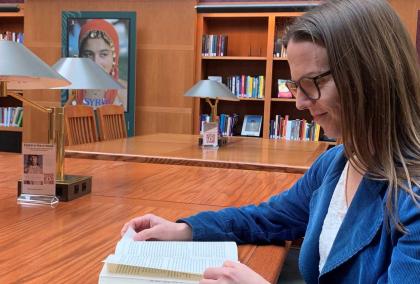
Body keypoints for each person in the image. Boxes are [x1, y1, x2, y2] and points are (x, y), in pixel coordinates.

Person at [121, 0, 420, 283]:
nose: (300, 103)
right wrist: (185, 229)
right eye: (295, 85)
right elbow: (271, 217)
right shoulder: (337, 162)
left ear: (370, 74)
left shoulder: (412, 199)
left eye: (312, 83)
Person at [73, 19, 127, 109]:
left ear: (114, 57)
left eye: (103, 54)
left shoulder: (126, 93)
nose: (96, 63)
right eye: (88, 54)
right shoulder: (69, 92)